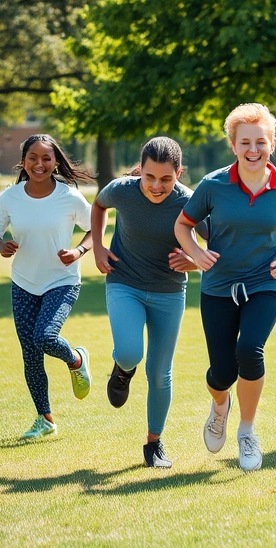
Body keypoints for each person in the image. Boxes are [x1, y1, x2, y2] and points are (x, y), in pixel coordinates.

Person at [175, 103, 276, 471]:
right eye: (245, 142)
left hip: (265, 283)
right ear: (233, 145)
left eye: (261, 142)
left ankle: (246, 431)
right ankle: (221, 407)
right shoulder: (213, 185)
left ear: (273, 143)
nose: (254, 150)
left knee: (250, 350)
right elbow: (183, 225)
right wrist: (196, 253)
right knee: (222, 373)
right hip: (218, 286)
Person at [92, 137, 200, 468]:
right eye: (150, 177)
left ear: (179, 173)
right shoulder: (123, 190)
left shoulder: (190, 202)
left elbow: (214, 244)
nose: (156, 186)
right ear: (141, 171)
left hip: (169, 292)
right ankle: (122, 370)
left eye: (166, 179)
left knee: (159, 372)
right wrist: (97, 246)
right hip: (125, 283)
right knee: (130, 353)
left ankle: (154, 444)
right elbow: (98, 205)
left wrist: (193, 261)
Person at [0, 134, 94, 439]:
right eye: (33, 158)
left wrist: (79, 251)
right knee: (30, 354)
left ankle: (77, 359)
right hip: (24, 283)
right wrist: (0, 246)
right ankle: (45, 419)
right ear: (24, 162)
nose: (40, 164)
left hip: (63, 280)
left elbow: (94, 228)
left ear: (56, 161)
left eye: (46, 158)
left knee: (44, 336)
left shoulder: (69, 196)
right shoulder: (11, 197)